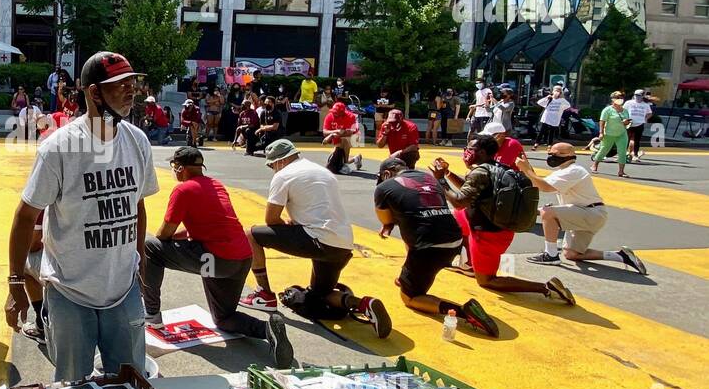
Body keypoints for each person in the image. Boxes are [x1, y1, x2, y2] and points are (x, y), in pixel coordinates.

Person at [5, 50, 159, 381]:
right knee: (73, 387)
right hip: (70, 292)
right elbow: (24, 216)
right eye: (120, 84)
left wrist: (139, 256)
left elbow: (138, 203)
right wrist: (15, 280)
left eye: (132, 82)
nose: (131, 90)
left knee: (131, 382)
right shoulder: (59, 148)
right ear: (93, 92)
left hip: (123, 288)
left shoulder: (138, 142)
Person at [141, 146, 293, 365]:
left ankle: (152, 315)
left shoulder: (183, 190)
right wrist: (185, 237)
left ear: (180, 168)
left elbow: (164, 233)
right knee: (224, 318)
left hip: (216, 259)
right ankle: (268, 329)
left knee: (151, 248)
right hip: (241, 258)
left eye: (174, 167)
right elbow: (212, 226)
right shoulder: (215, 184)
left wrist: (175, 239)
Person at [241, 139, 391, 337]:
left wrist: (289, 223)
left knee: (250, 234)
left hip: (317, 240)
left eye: (271, 165)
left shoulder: (283, 175)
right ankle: (363, 304)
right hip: (343, 245)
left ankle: (264, 293)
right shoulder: (322, 172)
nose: (272, 169)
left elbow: (271, 219)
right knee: (320, 295)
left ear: (278, 161)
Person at [430, 136, 576, 304]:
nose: (465, 152)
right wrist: (448, 174)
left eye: (469, 149)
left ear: (482, 152)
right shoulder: (496, 168)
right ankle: (470, 264)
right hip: (498, 228)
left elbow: (458, 201)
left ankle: (546, 287)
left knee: (487, 280)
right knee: (459, 218)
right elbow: (470, 192)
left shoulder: (480, 172)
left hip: (488, 234)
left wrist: (440, 180)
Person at [374, 156, 499, 337]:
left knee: (410, 297)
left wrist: (388, 224)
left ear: (387, 173)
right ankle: (408, 273)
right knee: (411, 225)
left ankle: (464, 311)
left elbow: (385, 219)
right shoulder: (429, 178)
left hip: (430, 249)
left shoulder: (384, 187)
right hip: (454, 241)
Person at [518, 145, 647, 273]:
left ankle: (550, 255)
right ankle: (620, 256)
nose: (551, 158)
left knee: (548, 212)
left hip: (590, 213)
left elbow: (545, 187)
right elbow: (538, 182)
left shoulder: (573, 171)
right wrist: (528, 169)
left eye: (554, 155)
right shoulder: (563, 171)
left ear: (567, 155)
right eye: (550, 154)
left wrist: (526, 170)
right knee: (571, 254)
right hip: (587, 214)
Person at [592, 91, 631, 177]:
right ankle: (594, 165)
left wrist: (626, 122)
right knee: (604, 150)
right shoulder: (608, 110)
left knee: (622, 152)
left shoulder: (625, 111)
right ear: (613, 99)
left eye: (621, 97)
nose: (620, 99)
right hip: (609, 134)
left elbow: (627, 123)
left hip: (622, 133)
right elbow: (602, 121)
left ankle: (621, 171)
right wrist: (601, 133)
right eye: (618, 97)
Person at [322, 100, 363, 174]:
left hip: (354, 137)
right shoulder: (329, 116)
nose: (334, 114)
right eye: (333, 111)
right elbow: (325, 132)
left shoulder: (350, 116)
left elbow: (349, 132)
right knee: (336, 158)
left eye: (336, 113)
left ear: (342, 113)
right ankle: (355, 159)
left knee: (344, 140)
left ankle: (345, 164)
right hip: (337, 136)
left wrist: (336, 134)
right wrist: (334, 133)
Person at [623, 89, 654, 163]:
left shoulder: (645, 105)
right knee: (625, 140)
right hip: (629, 123)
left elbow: (650, 113)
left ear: (642, 96)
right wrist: (625, 119)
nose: (637, 97)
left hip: (639, 124)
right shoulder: (629, 103)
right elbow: (623, 111)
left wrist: (645, 118)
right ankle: (622, 154)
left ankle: (635, 155)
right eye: (636, 95)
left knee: (637, 140)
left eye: (639, 96)